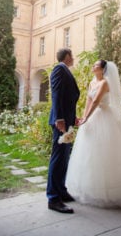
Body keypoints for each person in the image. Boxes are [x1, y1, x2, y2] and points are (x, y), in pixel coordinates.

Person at [66, 59, 121, 208]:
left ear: (102, 69)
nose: (93, 66)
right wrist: (84, 117)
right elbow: (89, 101)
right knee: (91, 153)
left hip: (105, 116)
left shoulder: (105, 83)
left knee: (108, 151)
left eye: (96, 65)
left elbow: (96, 102)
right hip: (93, 117)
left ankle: (113, 190)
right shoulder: (93, 82)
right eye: (94, 64)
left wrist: (87, 117)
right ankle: (91, 187)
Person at [46, 48, 80, 214]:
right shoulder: (59, 69)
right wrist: (59, 118)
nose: (73, 58)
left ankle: (61, 190)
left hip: (67, 121)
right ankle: (53, 198)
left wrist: (72, 117)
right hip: (60, 122)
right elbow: (57, 94)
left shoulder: (65, 70)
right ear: (67, 57)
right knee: (58, 158)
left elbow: (68, 98)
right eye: (71, 56)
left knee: (64, 157)